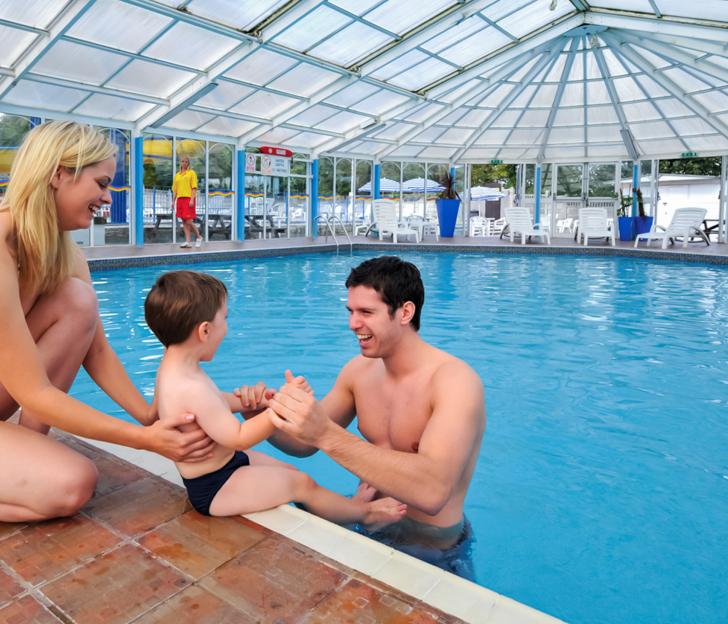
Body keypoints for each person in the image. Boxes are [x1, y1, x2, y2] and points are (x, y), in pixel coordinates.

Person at [0, 121, 263, 523]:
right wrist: (145, 442)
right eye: (101, 183)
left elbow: (96, 349)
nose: (107, 196)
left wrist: (150, 416)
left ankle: (5, 460)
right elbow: (32, 390)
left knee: (78, 299)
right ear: (58, 174)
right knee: (72, 484)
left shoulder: (62, 252)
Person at [259, 256, 485, 580]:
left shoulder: (454, 382)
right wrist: (265, 417)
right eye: (351, 312)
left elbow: (432, 492)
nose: (353, 323)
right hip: (369, 520)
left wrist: (325, 434)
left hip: (433, 549)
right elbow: (303, 442)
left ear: (405, 312)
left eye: (366, 312)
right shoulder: (359, 372)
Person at [145, 270, 407, 526]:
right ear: (204, 331)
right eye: (225, 318)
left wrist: (257, 402)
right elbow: (238, 436)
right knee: (300, 484)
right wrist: (278, 410)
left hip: (226, 464)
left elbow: (213, 403)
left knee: (293, 473)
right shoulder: (190, 387)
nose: (226, 327)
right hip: (215, 486)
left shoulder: (174, 369)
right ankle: (363, 513)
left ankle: (336, 512)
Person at [172, 155, 201, 249]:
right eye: (182, 161)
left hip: (189, 199)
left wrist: (192, 199)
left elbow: (194, 187)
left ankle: (198, 237)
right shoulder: (177, 175)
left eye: (186, 162)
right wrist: (173, 202)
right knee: (184, 221)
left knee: (189, 220)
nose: (184, 163)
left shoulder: (191, 173)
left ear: (188, 163)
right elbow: (175, 190)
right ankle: (188, 241)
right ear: (180, 163)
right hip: (180, 199)